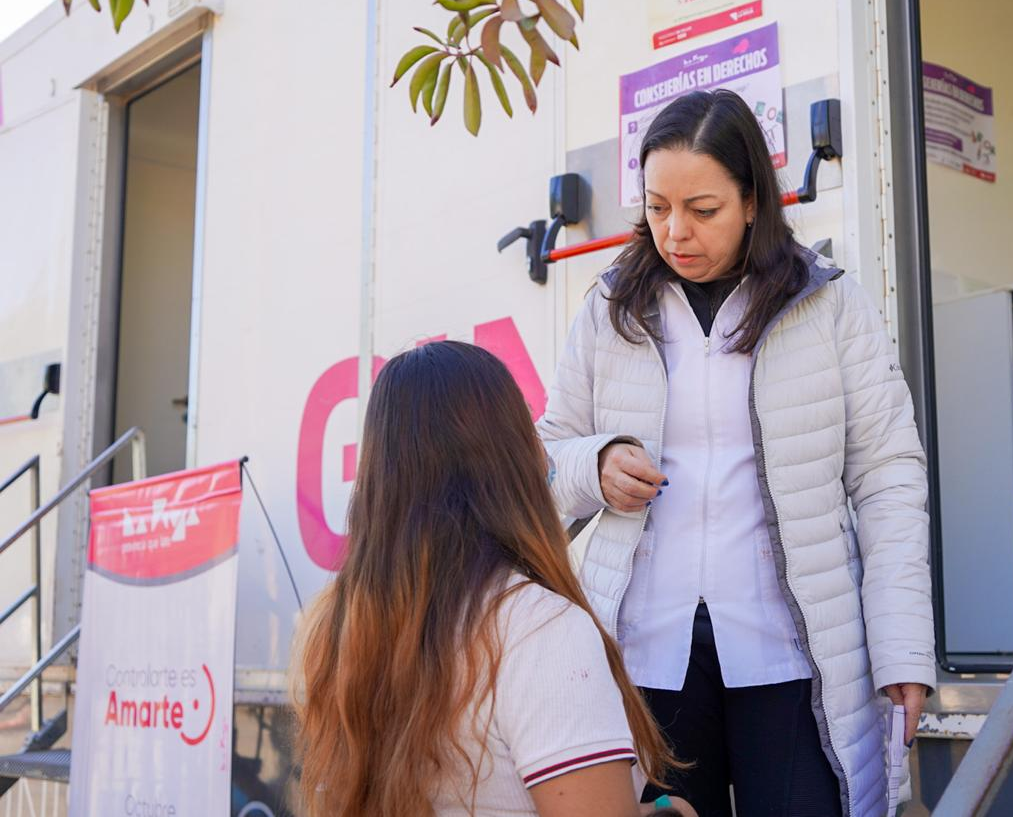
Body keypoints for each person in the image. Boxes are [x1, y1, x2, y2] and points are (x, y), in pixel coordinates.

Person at [538, 89, 936, 817]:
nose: (675, 231)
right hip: (646, 650)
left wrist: (903, 644)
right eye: (657, 207)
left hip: (789, 648)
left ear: (752, 200)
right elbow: (541, 458)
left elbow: (888, 474)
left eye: (703, 209)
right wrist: (592, 466)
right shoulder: (608, 309)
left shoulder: (828, 303)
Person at [292, 342, 695, 817]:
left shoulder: (334, 624)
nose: (542, 450)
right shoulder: (542, 630)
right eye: (527, 425)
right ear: (504, 458)